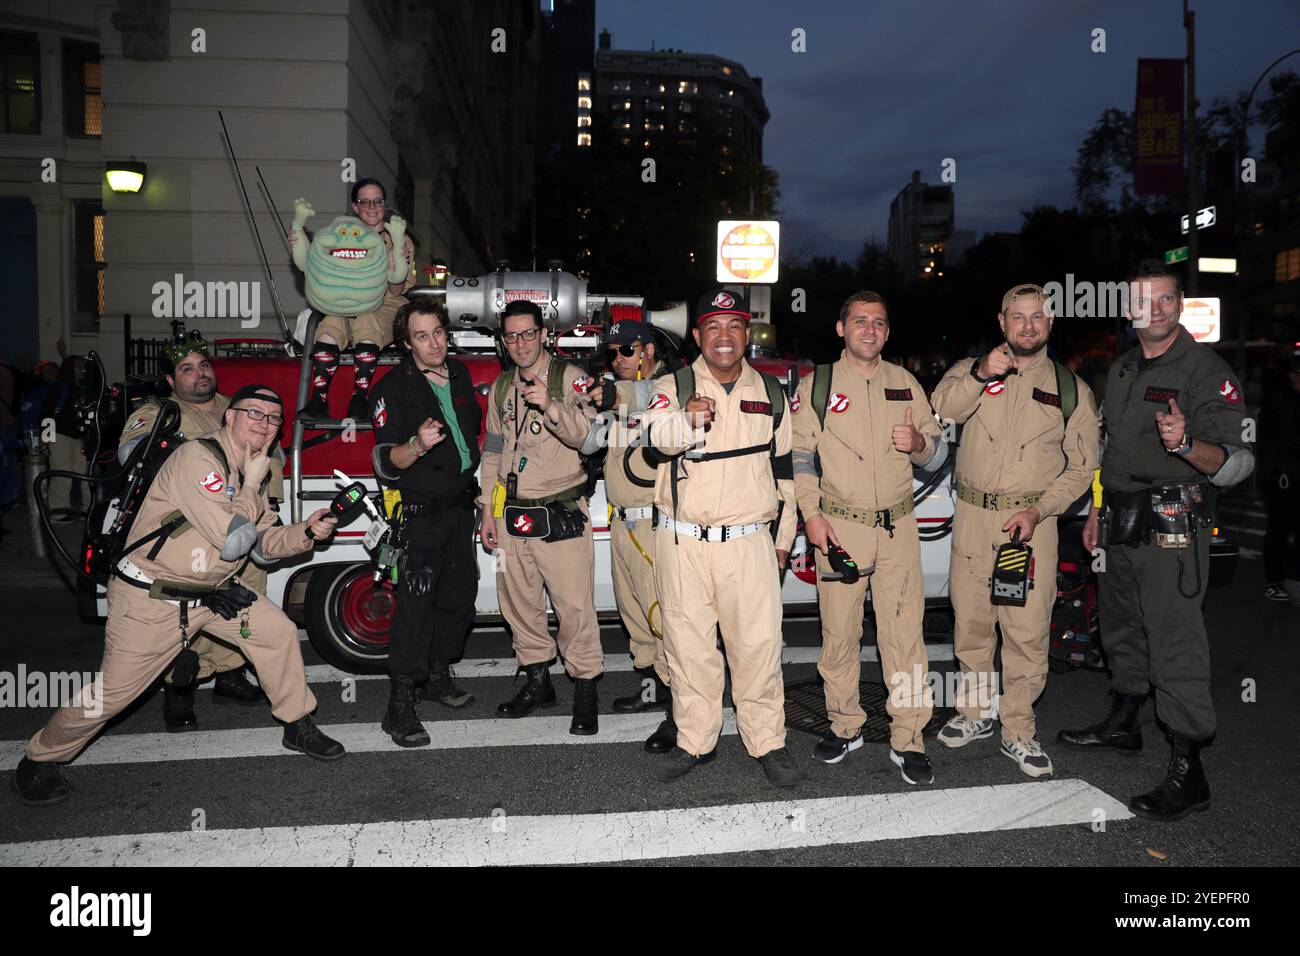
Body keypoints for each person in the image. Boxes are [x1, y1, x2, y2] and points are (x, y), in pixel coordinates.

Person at [14, 383, 344, 807]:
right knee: (113, 694)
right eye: (253, 413)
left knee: (276, 632)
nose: (264, 424)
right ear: (230, 415)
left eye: (274, 418)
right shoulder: (197, 458)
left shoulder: (252, 475)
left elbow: (262, 546)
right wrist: (253, 484)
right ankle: (38, 760)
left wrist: (307, 532)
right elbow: (233, 542)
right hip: (152, 598)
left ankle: (297, 724)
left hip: (213, 595)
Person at [1060, 261, 1255, 822]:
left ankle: (1190, 772)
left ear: (1178, 305)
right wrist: (1098, 509)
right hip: (1118, 519)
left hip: (1172, 523)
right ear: (1128, 311)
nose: (1157, 309)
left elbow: (1236, 462)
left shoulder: (1205, 371)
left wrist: (1187, 442)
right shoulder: (1120, 369)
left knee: (1174, 643)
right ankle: (1123, 723)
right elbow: (1111, 452)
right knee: (1120, 625)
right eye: (1145, 301)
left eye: (1167, 299)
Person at [932, 283, 1100, 778]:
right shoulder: (971, 370)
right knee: (972, 623)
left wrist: (1039, 510)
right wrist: (983, 373)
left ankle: (1019, 729)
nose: (1028, 326)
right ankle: (974, 713)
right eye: (1018, 317)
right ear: (1001, 322)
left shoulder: (1072, 390)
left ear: (1049, 324)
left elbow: (1082, 467)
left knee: (1025, 631)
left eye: (1038, 317)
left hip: (1031, 524)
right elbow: (942, 409)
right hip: (973, 519)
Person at [637, 289, 800, 787]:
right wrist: (687, 420)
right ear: (697, 336)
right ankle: (695, 740)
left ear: (747, 334)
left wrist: (782, 542)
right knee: (688, 649)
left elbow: (787, 474)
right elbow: (652, 439)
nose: (724, 337)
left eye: (734, 326)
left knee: (758, 648)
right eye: (713, 327)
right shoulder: (673, 384)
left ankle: (768, 741)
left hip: (751, 542)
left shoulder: (772, 393)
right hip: (683, 542)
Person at [792, 291, 948, 785]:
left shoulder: (905, 383)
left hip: (898, 528)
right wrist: (811, 516)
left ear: (887, 331)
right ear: (841, 329)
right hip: (840, 528)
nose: (869, 330)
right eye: (859, 321)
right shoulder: (817, 385)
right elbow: (798, 458)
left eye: (878, 323)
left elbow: (940, 454)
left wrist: (921, 444)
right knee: (839, 635)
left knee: (904, 639)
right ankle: (845, 724)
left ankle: (908, 737)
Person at [119, 338, 275, 728]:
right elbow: (133, 455)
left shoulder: (238, 408)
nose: (199, 372)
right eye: (187, 368)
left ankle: (230, 674)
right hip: (189, 538)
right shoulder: (160, 412)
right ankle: (178, 691)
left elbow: (272, 454)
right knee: (184, 614)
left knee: (243, 604)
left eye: (203, 364)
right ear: (171, 379)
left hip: (244, 527)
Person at [478, 300, 605, 735]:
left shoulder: (570, 378)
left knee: (574, 608)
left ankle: (585, 690)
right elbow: (493, 451)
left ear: (544, 334)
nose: (520, 343)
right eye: (511, 336)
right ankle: (537, 682)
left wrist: (551, 405)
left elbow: (590, 440)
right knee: (519, 603)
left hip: (560, 513)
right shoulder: (500, 387)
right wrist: (487, 513)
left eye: (528, 334)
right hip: (511, 514)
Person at [369, 299, 481, 746]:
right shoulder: (391, 388)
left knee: (458, 599)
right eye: (422, 336)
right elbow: (384, 462)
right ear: (406, 342)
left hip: (459, 509)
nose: (434, 343)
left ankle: (437, 675)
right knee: (415, 607)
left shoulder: (460, 374)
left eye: (438, 332)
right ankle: (399, 705)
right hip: (417, 517)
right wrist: (415, 445)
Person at [591, 321, 672, 723]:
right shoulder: (614, 396)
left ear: (649, 351)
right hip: (622, 524)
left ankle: (680, 701)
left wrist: (608, 394)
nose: (618, 358)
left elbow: (642, 395)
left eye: (627, 350)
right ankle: (650, 687)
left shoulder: (667, 389)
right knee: (634, 615)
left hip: (653, 525)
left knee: (662, 614)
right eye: (613, 352)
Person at [295, 178, 415, 421]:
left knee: (367, 320)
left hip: (384, 305)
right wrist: (300, 238)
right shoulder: (340, 235)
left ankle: (360, 396)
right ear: (355, 206)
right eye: (365, 201)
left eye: (378, 201)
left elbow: (396, 289)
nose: (372, 207)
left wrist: (395, 254)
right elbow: (318, 268)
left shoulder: (396, 235)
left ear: (384, 204)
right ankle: (319, 398)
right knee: (330, 324)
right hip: (345, 304)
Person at [1260, 354, 1300, 603]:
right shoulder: (1280, 402)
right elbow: (1291, 438)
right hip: (1281, 477)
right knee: (1279, 529)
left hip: (1290, 474)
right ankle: (1275, 580)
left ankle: (1288, 575)